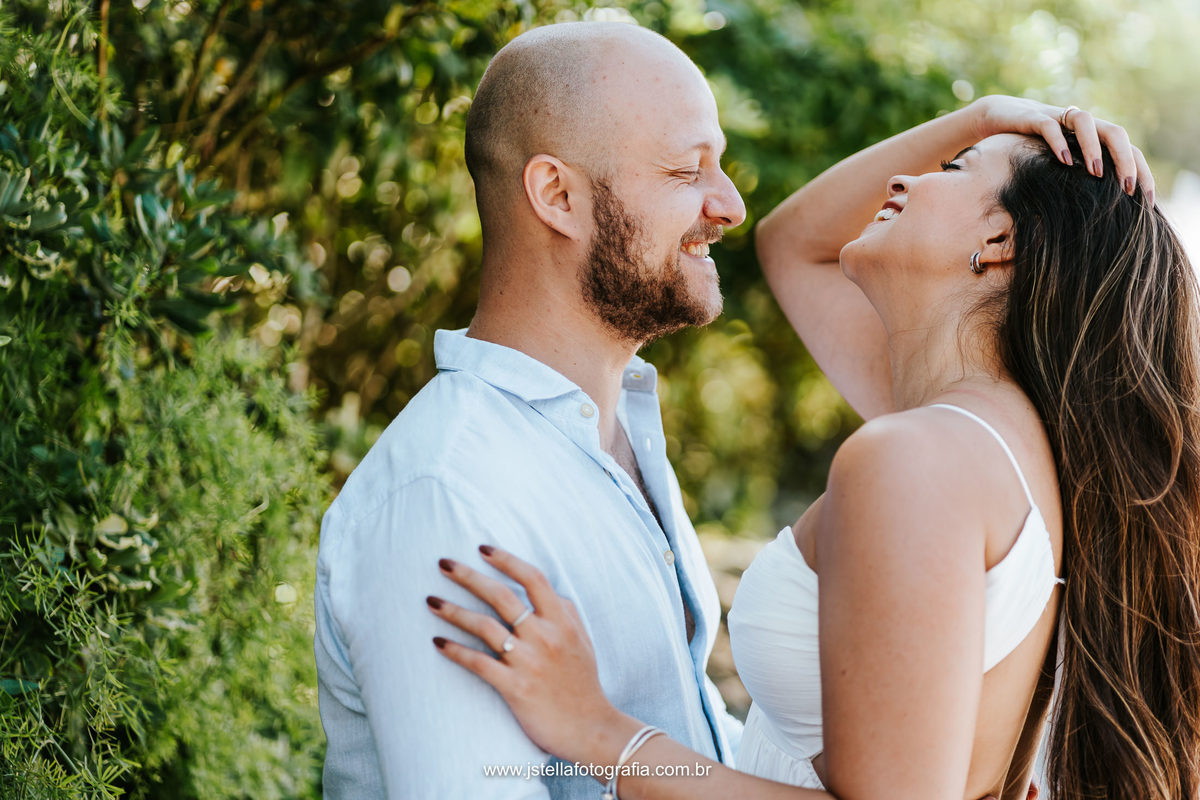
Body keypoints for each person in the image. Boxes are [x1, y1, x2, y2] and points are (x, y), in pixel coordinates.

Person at [429, 94, 1200, 800]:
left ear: (998, 240)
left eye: (951, 171)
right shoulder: (997, 438)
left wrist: (600, 733)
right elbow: (794, 242)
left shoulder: (917, 458)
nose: (905, 177)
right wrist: (986, 119)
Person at [312, 21, 749, 798]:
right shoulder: (449, 496)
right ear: (558, 196)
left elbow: (689, 732)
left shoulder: (618, 433)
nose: (730, 205)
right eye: (689, 170)